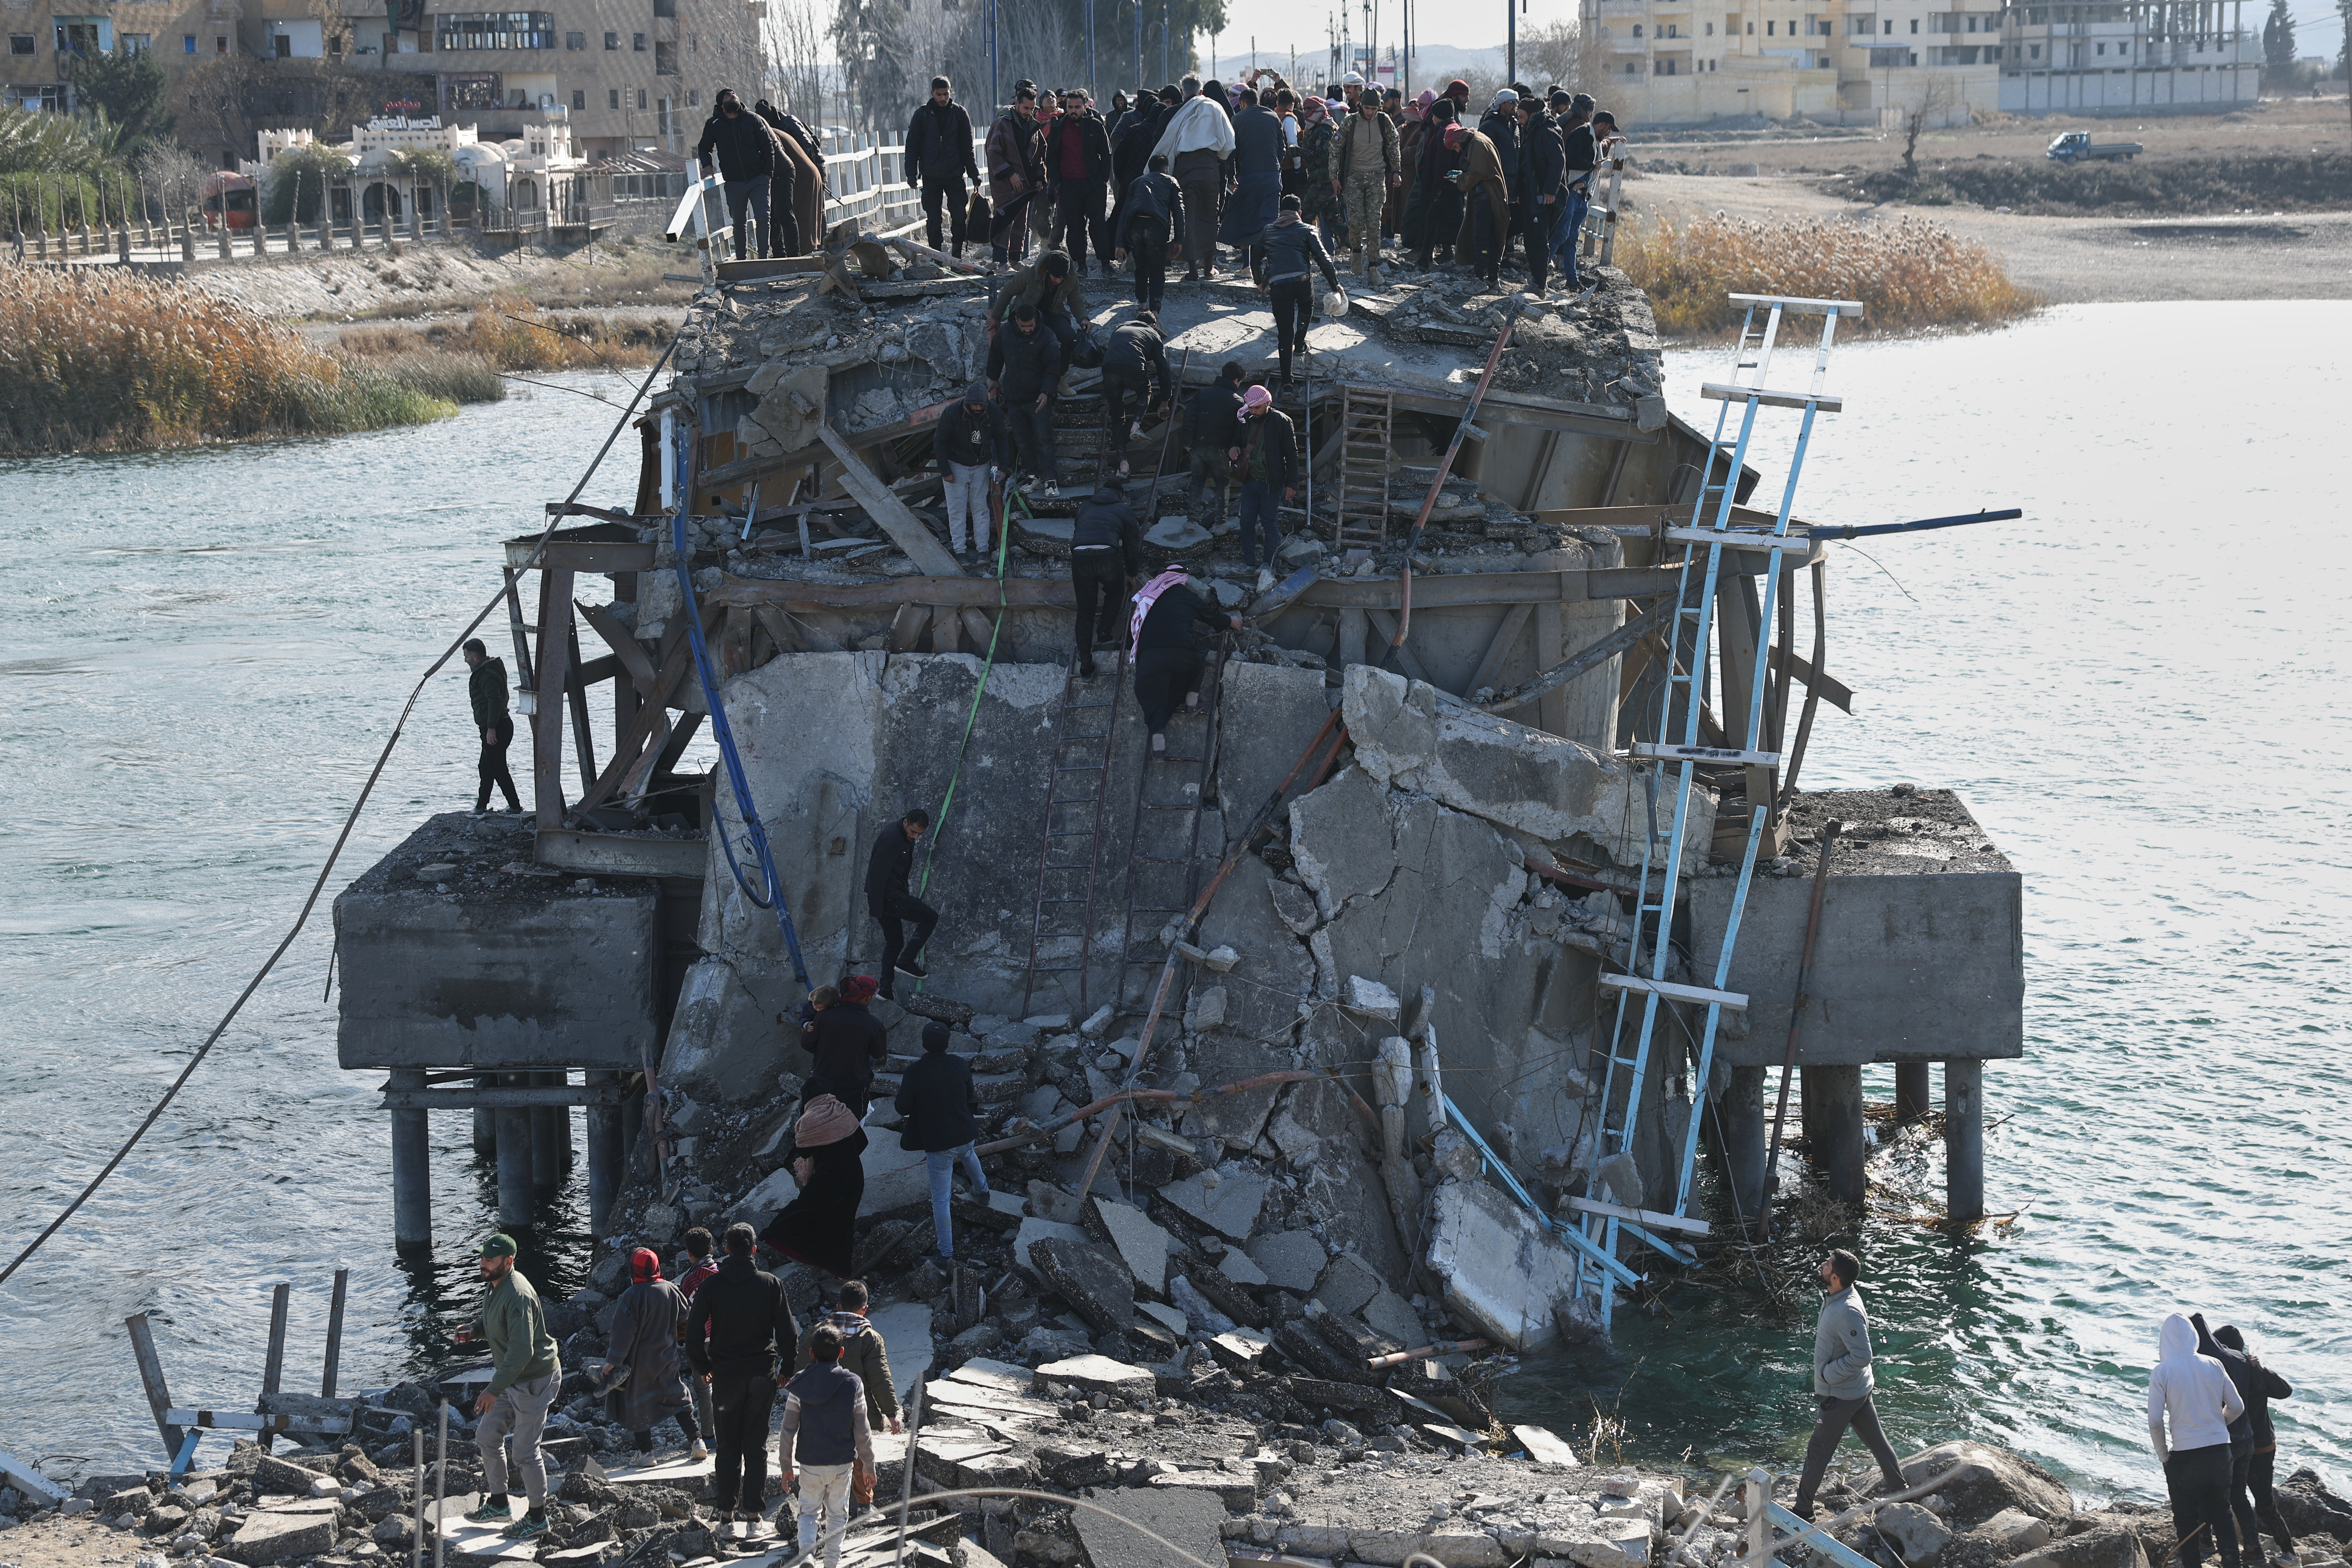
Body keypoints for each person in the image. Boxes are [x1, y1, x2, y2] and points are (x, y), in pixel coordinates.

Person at [684, 1222, 799, 1537]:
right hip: (762, 1373)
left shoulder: (711, 1287)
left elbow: (693, 1336)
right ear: (754, 1250)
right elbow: (788, 1334)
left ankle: (725, 1519)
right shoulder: (770, 1283)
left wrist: (703, 1365)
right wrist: (787, 1368)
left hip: (725, 1376)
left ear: (723, 1250)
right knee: (756, 1446)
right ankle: (754, 1519)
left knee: (729, 1447)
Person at [1790, 1250, 1909, 1520]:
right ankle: (1900, 1489)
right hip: (1858, 1388)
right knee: (1877, 1441)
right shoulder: (1839, 1296)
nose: (1822, 1263)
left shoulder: (1847, 1310)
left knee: (1818, 1450)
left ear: (1834, 1277)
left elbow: (1863, 1355)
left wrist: (1828, 1374)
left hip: (1843, 1393)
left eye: (1827, 1263)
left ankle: (1802, 1511)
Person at [462, 1234, 561, 1539]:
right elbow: (494, 1326)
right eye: (482, 1258)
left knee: (525, 1451)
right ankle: (500, 1504)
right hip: (513, 1378)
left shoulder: (517, 1294)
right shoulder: (494, 1288)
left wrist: (493, 1389)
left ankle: (537, 1518)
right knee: (487, 1436)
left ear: (509, 1262)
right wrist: (474, 1330)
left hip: (534, 1380)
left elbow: (522, 1352)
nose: (483, 1264)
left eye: (489, 1261)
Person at [793, 1279, 902, 1515]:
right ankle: (864, 1505)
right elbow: (880, 1378)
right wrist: (891, 1413)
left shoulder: (819, 1333)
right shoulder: (870, 1338)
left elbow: (801, 1370)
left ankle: (821, 1507)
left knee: (826, 1453)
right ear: (865, 1308)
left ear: (838, 1304)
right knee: (861, 1454)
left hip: (820, 1408)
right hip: (856, 1410)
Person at [2196, 1315, 2296, 1566]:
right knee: (2247, 1500)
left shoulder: (2241, 1372)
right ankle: (2274, 1552)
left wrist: (2260, 1369)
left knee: (2255, 1502)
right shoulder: (2234, 1371)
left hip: (2252, 1447)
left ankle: (2288, 1553)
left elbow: (2285, 1390)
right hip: (2251, 1445)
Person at [2152, 1312, 2247, 1568]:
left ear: (2165, 1342)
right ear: (2194, 1337)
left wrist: (2164, 1457)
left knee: (2185, 1519)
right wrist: (2217, 1426)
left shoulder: (2162, 1372)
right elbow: (2237, 1406)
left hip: (2185, 1456)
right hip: (2220, 1452)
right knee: (2222, 1512)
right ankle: (2232, 1564)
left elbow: (2155, 1421)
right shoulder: (2214, 1364)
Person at [893, 1021, 992, 1261]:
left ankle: (946, 1252)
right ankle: (983, 1192)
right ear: (948, 1043)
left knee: (941, 1199)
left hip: (938, 1140)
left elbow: (901, 1108)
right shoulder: (958, 1064)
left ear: (924, 1044)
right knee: (969, 1155)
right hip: (965, 1130)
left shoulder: (915, 1072)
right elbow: (970, 1095)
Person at [780, 1323, 876, 1568]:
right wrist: (869, 1465)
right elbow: (862, 1430)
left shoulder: (800, 1384)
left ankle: (808, 1556)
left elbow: (788, 1429)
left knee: (809, 1512)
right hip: (842, 1463)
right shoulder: (853, 1384)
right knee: (837, 1514)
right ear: (841, 1353)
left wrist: (786, 1466)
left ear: (812, 1353)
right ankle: (832, 1561)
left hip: (810, 1463)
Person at [1129, 563, 1241, 753]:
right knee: (1199, 653)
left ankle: (1158, 742)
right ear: (1183, 580)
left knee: (1154, 696)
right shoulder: (1187, 596)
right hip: (1181, 652)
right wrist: (1232, 621)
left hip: (1148, 656)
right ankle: (1192, 701)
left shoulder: (1150, 599)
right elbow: (1212, 617)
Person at [601, 1248, 699, 1458]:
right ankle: (697, 1441)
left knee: (637, 1404)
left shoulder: (632, 1296)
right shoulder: (669, 1289)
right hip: (667, 1358)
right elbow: (685, 1316)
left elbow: (622, 1333)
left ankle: (647, 1454)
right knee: (679, 1397)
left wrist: (612, 1362)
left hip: (639, 1364)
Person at [759, 1094, 868, 1279]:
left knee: (801, 1212)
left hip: (830, 1179)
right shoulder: (842, 1111)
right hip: (855, 1177)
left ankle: (791, 1248)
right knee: (842, 1223)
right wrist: (845, 1155)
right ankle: (840, 1269)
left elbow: (804, 1151)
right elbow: (862, 1141)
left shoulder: (810, 1120)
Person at [1250, 194, 1341, 388]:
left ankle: (1287, 384)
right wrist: (1336, 286)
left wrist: (1259, 281)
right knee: (1307, 305)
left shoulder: (1268, 231)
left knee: (1284, 334)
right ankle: (1300, 343)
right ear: (1299, 213)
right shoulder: (1307, 229)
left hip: (1278, 285)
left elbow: (1255, 258)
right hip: (1302, 282)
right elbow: (1324, 260)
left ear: (1280, 213)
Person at [1151, 76, 1235, 281]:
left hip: (1185, 170)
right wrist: (1219, 158)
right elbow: (1230, 141)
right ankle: (1208, 269)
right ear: (1202, 92)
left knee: (1187, 217)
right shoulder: (1215, 107)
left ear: (1182, 93)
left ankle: (1192, 271)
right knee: (1209, 216)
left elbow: (1163, 142)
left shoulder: (1175, 112)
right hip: (1210, 169)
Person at [984, 303, 1066, 499]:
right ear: (1017, 322)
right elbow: (995, 355)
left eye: (1031, 325)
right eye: (1024, 326)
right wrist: (992, 377)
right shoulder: (1005, 333)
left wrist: (1047, 392)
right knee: (1022, 441)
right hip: (1014, 399)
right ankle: (1032, 476)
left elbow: (1053, 368)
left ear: (1036, 320)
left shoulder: (1047, 337)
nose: (1028, 329)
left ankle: (1050, 480)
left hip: (1038, 399)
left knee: (1043, 439)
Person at [695, 89, 774, 262]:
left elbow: (768, 146)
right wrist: (708, 165)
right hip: (733, 182)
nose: (733, 96)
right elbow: (704, 147)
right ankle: (741, 260)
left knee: (763, 218)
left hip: (758, 178)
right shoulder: (714, 124)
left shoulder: (752, 119)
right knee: (739, 223)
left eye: (734, 94)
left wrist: (768, 174)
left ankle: (764, 259)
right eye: (728, 96)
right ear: (721, 105)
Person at [906, 77, 981, 258]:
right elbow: (912, 146)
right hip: (931, 175)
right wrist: (911, 173)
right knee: (933, 217)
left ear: (951, 92)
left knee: (959, 215)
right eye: (939, 95)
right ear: (932, 93)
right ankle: (936, 255)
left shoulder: (960, 114)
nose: (943, 98)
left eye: (946, 94)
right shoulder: (922, 115)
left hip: (955, 174)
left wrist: (974, 173)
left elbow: (967, 147)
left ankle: (957, 254)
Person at [932, 381, 1005, 567]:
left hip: (981, 464)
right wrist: (946, 471)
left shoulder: (993, 411)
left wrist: (1004, 467)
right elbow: (939, 442)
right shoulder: (952, 412)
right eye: (975, 405)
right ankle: (960, 552)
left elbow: (1002, 438)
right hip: (956, 465)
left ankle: (983, 551)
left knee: (980, 508)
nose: (979, 408)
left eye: (982, 405)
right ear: (967, 403)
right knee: (956, 510)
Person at [1230, 383, 1298, 573]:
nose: (1253, 411)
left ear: (1268, 403)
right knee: (1246, 523)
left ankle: (1268, 565)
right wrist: (1233, 448)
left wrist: (1292, 483)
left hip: (1271, 483)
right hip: (1250, 480)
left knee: (1270, 523)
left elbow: (1292, 454)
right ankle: (1249, 563)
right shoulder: (1245, 418)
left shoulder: (1282, 421)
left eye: (1257, 408)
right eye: (1250, 407)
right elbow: (1235, 440)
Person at [1335, 90, 1400, 286]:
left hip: (1376, 178)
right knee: (1355, 222)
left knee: (1374, 224)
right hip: (1354, 178)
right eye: (1367, 108)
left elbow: (1393, 144)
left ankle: (1373, 266)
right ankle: (1356, 250)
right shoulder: (1350, 122)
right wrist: (1334, 178)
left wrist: (1396, 170)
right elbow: (1334, 148)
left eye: (1374, 109)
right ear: (1360, 106)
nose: (1370, 112)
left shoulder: (1384, 121)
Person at [1044, 89, 1112, 274]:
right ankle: (1080, 264)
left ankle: (1106, 263)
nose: (1073, 111)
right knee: (1075, 227)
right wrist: (1058, 184)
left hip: (1092, 185)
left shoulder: (1095, 126)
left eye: (1077, 107)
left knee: (1098, 225)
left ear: (1085, 107)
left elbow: (1107, 155)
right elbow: (1051, 158)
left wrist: (1102, 180)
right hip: (1068, 186)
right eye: (1070, 107)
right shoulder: (1058, 126)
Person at [1221, 85, 1285, 276]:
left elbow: (1232, 153)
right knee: (1271, 220)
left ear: (1242, 104)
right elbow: (1282, 149)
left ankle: (1247, 267)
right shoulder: (1273, 117)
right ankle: (1274, 266)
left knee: (1245, 217)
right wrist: (1275, 167)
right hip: (1272, 175)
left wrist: (1232, 178)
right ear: (1258, 101)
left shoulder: (1238, 119)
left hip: (1248, 176)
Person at [1098, 310, 1170, 474]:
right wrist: (1165, 402)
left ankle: (1124, 464)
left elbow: (1119, 352)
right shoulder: (1152, 333)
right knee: (1145, 390)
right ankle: (1136, 426)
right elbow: (1163, 369)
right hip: (1133, 366)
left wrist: (1126, 380)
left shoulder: (1120, 327)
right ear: (1153, 325)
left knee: (1117, 418)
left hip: (1109, 368)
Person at [1115, 152, 1186, 315]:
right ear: (1166, 168)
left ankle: (1142, 305)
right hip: (1157, 226)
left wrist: (1120, 244)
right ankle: (1154, 311)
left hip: (1135, 226)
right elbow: (1179, 212)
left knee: (1141, 266)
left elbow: (1125, 213)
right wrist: (1179, 240)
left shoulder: (1137, 182)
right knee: (1157, 268)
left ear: (1149, 168)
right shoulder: (1171, 182)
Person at [985, 85, 1044, 268]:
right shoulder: (1002, 123)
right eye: (1026, 108)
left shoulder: (1033, 126)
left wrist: (1040, 177)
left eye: (1033, 109)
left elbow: (1040, 154)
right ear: (1017, 104)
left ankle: (1015, 260)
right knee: (1005, 219)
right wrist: (1011, 174)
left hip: (1025, 183)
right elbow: (993, 152)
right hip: (1005, 183)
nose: (1029, 112)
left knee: (1021, 222)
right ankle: (1000, 262)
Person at [1183, 360, 1248, 528]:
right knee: (1223, 483)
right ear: (1236, 381)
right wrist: (1235, 446)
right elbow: (1240, 429)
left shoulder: (1202, 394)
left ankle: (1191, 521)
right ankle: (1221, 523)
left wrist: (1188, 442)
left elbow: (1189, 418)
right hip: (1221, 450)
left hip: (1198, 448)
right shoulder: (1238, 402)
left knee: (1197, 482)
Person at [1448, 121, 1511, 290]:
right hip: (1491, 197)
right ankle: (1492, 278)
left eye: (1455, 147)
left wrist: (1461, 179)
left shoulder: (1476, 144)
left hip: (1487, 198)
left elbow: (1477, 173)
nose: (1458, 151)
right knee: (1491, 239)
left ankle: (1480, 279)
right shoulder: (1479, 140)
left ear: (1460, 140)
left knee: (1482, 239)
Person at [462, 638, 521, 816]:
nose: (465, 660)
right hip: (498, 725)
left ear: (475, 656)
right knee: (486, 766)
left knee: (497, 768)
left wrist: (491, 729)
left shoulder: (486, 673)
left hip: (496, 727)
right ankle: (481, 807)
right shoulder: (491, 668)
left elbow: (494, 701)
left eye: (466, 657)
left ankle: (515, 807)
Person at [1514, 91, 1564, 294]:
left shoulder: (1545, 131)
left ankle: (1540, 284)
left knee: (1538, 239)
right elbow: (1524, 164)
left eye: (1521, 116)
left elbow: (1558, 161)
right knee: (1530, 237)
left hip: (1544, 196)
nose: (1518, 121)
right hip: (1530, 193)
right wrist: (1519, 191)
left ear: (1532, 115)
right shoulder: (1530, 130)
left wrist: (1550, 190)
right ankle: (1537, 280)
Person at [674, 1228, 720, 1454]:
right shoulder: (722, 1273)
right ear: (711, 1249)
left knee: (704, 1389)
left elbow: (685, 1314)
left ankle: (709, 1436)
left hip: (701, 1341)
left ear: (688, 1253)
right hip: (725, 1337)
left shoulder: (689, 1279)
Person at [747, 101, 809, 257]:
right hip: (773, 172)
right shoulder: (765, 127)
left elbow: (805, 144)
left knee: (784, 213)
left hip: (782, 170)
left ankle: (794, 255)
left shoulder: (772, 127)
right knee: (774, 215)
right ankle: (781, 254)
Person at [1408, 98, 1461, 269]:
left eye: (1434, 116)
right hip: (1450, 186)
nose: (1431, 119)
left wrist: (1437, 188)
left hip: (1445, 188)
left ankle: (1428, 259)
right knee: (1434, 220)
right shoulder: (1449, 129)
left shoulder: (1445, 132)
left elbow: (1442, 164)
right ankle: (1428, 258)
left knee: (1442, 221)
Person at [1552, 93, 1595, 287]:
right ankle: (1541, 272)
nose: (1591, 114)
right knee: (1563, 233)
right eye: (1591, 110)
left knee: (1567, 234)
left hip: (1561, 182)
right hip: (1570, 187)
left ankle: (1571, 277)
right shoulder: (1579, 127)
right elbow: (1573, 157)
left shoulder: (1567, 122)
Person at [1291, 96, 1342, 252]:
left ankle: (1303, 250)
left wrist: (1299, 152)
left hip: (1324, 181)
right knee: (1334, 220)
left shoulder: (1324, 129)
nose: (1306, 113)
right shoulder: (1316, 127)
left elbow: (1322, 156)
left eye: (1310, 110)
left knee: (1306, 214)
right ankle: (1356, 248)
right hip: (1320, 180)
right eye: (1305, 109)